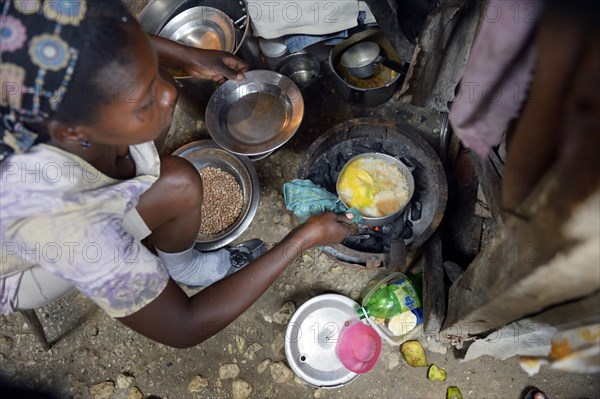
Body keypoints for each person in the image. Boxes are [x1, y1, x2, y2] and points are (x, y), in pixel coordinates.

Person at [0, 0, 356, 348]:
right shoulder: (73, 231)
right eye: (143, 103)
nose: (170, 94)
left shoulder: (22, 38)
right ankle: (187, 268)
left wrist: (189, 57)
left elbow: (103, 35)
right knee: (179, 184)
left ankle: (149, 211)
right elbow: (185, 327)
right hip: (23, 269)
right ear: (72, 132)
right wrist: (303, 238)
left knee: (160, 90)